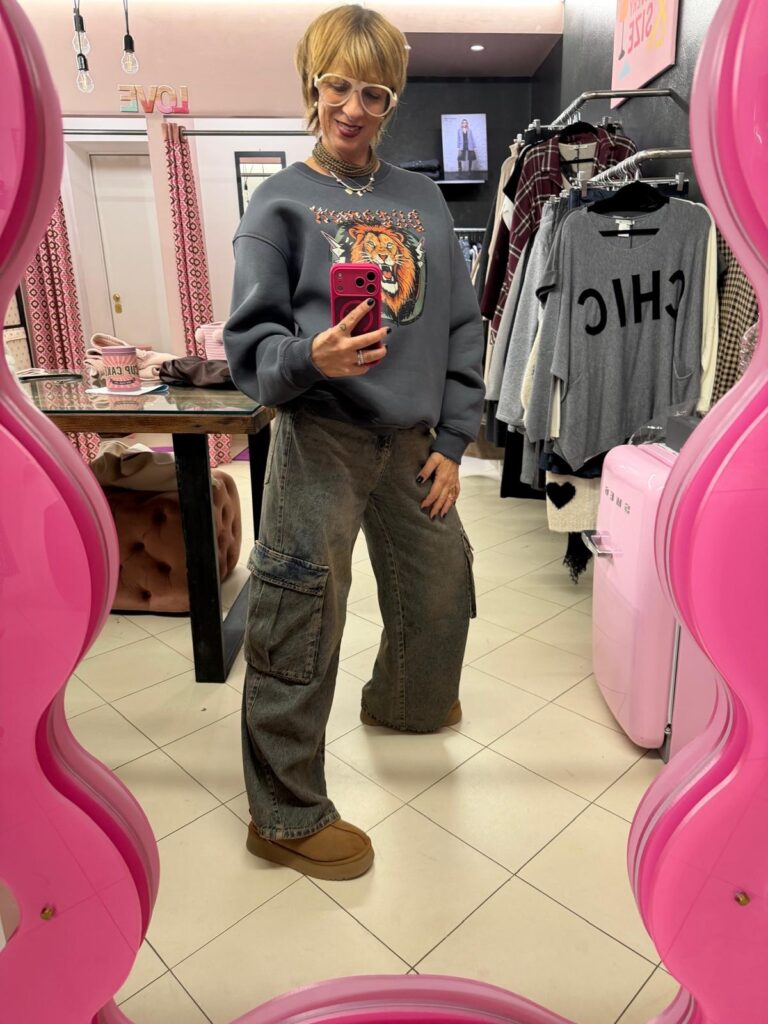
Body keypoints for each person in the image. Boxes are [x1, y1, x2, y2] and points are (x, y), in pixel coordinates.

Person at [224, 3, 485, 882]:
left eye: (375, 93)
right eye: (339, 86)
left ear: (391, 101)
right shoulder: (278, 202)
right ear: (313, 84)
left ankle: (405, 704)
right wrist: (313, 355)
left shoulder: (423, 198)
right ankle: (283, 814)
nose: (354, 108)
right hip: (321, 433)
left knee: (441, 585)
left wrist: (455, 438)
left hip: (412, 440)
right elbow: (250, 353)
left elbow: (461, 323)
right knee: (299, 612)